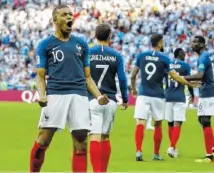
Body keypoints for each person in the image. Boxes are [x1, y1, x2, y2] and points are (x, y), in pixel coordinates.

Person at [30, 5, 109, 172]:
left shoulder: (81, 44)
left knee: (81, 142)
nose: (69, 18)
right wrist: (42, 95)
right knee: (43, 139)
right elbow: (40, 75)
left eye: (70, 15)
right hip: (56, 94)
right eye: (64, 15)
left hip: (79, 95)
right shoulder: (45, 44)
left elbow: (88, 77)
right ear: (55, 20)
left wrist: (98, 96)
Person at [131, 34, 199, 161]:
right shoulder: (165, 59)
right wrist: (190, 84)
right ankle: (156, 154)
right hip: (158, 95)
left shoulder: (141, 56)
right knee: (157, 124)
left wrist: (134, 89)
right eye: (162, 42)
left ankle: (138, 151)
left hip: (143, 94)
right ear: (159, 43)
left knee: (141, 122)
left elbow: (133, 75)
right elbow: (176, 77)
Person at [88, 24, 128, 172]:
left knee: (94, 137)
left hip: (93, 99)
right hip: (110, 99)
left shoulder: (88, 53)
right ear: (110, 37)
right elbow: (123, 79)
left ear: (95, 35)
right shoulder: (116, 55)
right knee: (105, 137)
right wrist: (124, 98)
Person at [184, 36, 214, 162]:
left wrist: (182, 78)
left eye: (195, 42)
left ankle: (210, 155)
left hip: (208, 93)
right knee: (202, 119)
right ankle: (211, 151)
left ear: (202, 44)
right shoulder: (202, 57)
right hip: (204, 92)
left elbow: (200, 75)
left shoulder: (204, 56)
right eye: (192, 41)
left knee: (205, 120)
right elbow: (202, 77)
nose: (192, 44)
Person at [165, 48, 194, 158]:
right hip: (179, 97)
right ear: (179, 54)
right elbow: (188, 81)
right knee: (178, 123)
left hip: (168, 96)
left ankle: (173, 148)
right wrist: (192, 94)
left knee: (170, 123)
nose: (185, 55)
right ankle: (172, 147)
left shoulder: (168, 64)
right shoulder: (185, 66)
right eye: (184, 53)